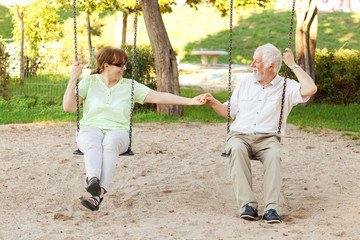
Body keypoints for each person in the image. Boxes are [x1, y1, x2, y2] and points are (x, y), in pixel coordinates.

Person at [63, 46, 206, 211]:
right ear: (106, 65)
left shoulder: (129, 86)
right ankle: (93, 180)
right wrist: (73, 78)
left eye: (125, 64)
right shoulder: (89, 82)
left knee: (110, 143)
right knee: (92, 141)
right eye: (120, 65)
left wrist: (191, 101)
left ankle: (98, 192)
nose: (124, 68)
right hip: (91, 128)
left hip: (119, 131)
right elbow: (68, 107)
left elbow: (159, 96)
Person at [204, 44, 317, 223]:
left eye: (256, 62)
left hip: (268, 138)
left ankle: (271, 208)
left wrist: (293, 66)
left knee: (274, 155)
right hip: (240, 135)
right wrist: (213, 102)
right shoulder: (245, 83)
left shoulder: (286, 86)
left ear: (271, 66)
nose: (252, 65)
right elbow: (229, 112)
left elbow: (310, 89)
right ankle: (248, 205)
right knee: (235, 147)